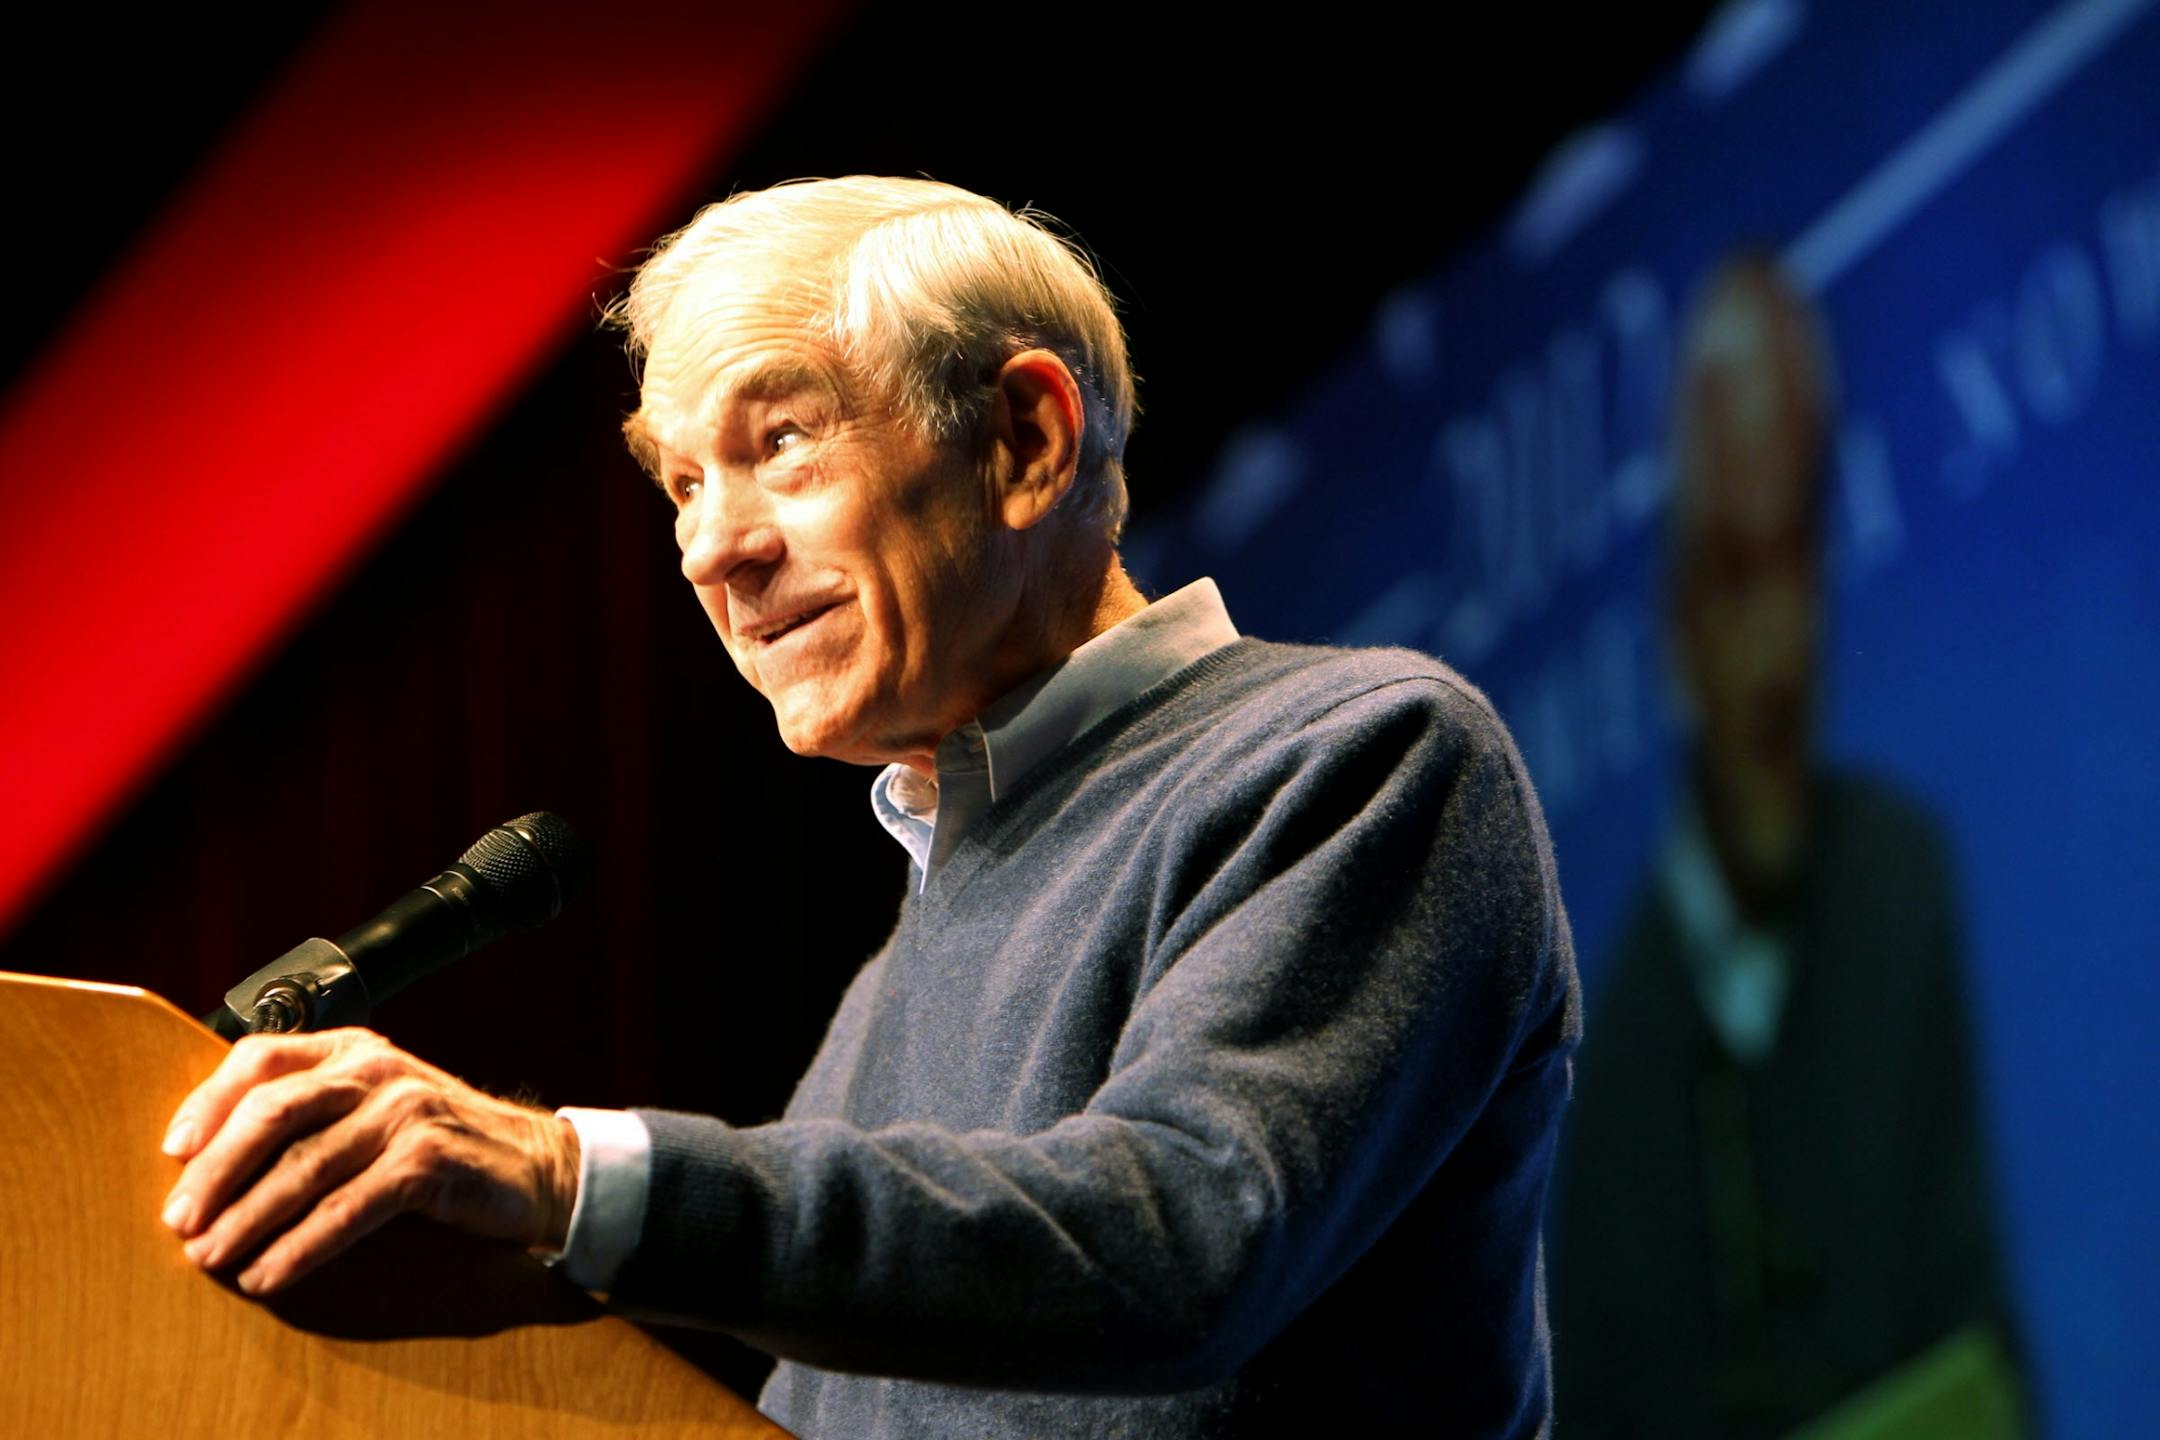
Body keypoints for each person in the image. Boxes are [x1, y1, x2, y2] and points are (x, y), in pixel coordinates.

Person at [159, 176, 1581, 1437]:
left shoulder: (1359, 758)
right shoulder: (884, 994)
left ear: (1025, 440)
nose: (715, 547)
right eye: (681, 484)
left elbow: (1181, 1236)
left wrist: (559, 1175)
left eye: (781, 440)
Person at [1550, 255, 2020, 1438]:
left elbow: (1979, 1330)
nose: (1783, 648)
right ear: (1677, 630)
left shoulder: (1901, 886)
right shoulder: (1600, 1087)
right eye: (1742, 576)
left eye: (1801, 558)